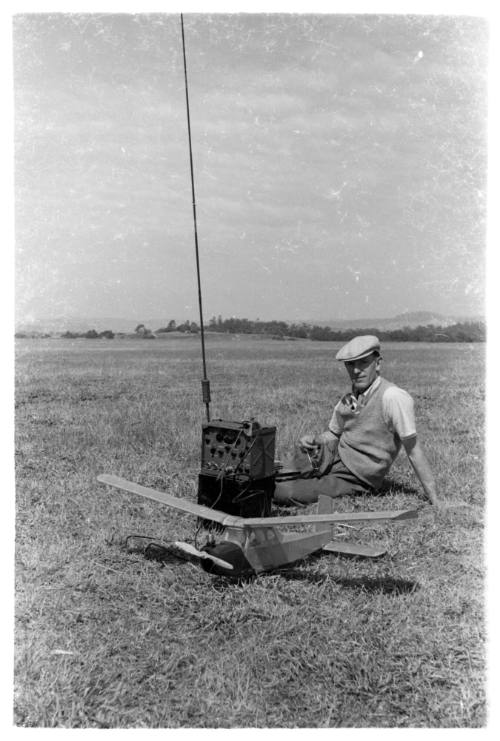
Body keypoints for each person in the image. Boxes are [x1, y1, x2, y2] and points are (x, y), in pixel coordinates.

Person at [274, 335, 438, 505]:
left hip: (356, 475)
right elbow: (333, 433)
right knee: (269, 471)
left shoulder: (393, 397)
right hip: (333, 455)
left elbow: (413, 450)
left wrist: (436, 500)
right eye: (351, 364)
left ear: (378, 363)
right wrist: (315, 439)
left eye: (363, 363)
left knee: (282, 492)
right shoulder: (352, 396)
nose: (356, 370)